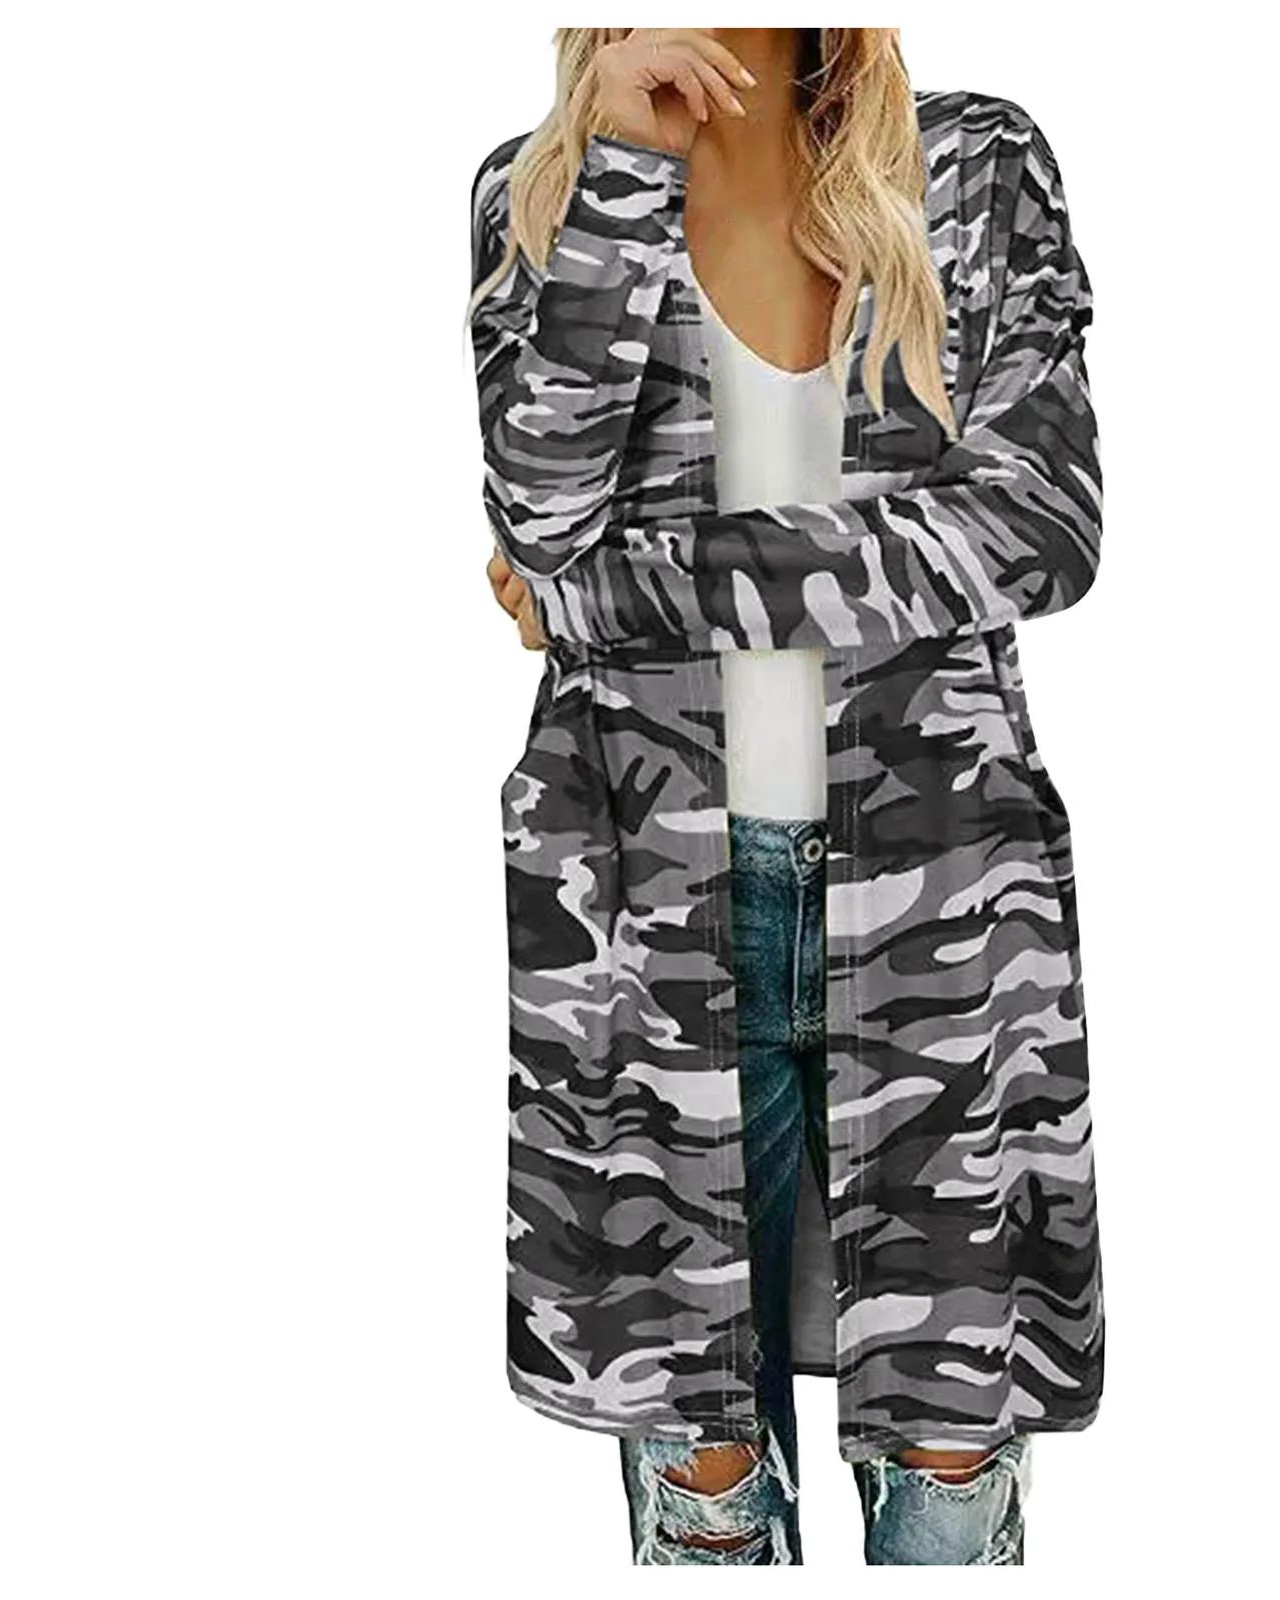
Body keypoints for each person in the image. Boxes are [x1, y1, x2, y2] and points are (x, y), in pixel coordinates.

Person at [468, 26, 1105, 1565]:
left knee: (951, 1460)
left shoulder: (975, 167)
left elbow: (1038, 526)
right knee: (703, 1477)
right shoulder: (540, 194)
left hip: (939, 887)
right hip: (646, 905)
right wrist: (626, 163)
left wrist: (618, 593)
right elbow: (540, 508)